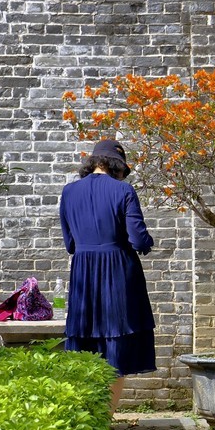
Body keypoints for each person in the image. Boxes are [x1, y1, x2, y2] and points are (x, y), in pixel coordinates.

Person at [59, 138, 157, 414]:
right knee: (115, 346)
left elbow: (70, 244)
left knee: (85, 346)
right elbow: (138, 240)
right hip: (117, 274)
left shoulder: (69, 192)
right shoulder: (123, 191)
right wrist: (148, 242)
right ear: (118, 166)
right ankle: (103, 424)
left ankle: (85, 421)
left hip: (84, 274)